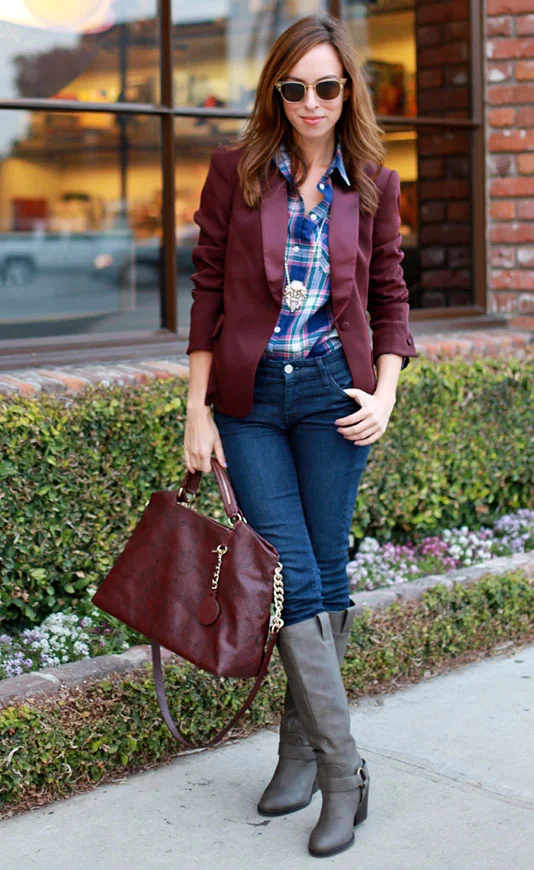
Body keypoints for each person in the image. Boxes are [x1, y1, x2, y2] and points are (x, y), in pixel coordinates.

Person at [183, 13, 418, 859]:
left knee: (321, 571)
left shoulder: (375, 183)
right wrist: (196, 411)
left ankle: (298, 755)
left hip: (333, 396)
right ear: (274, 93)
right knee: (292, 569)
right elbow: (208, 293)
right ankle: (344, 767)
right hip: (250, 400)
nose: (312, 101)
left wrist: (385, 392)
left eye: (327, 86)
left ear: (346, 90)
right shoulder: (233, 174)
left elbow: (390, 297)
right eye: (295, 87)